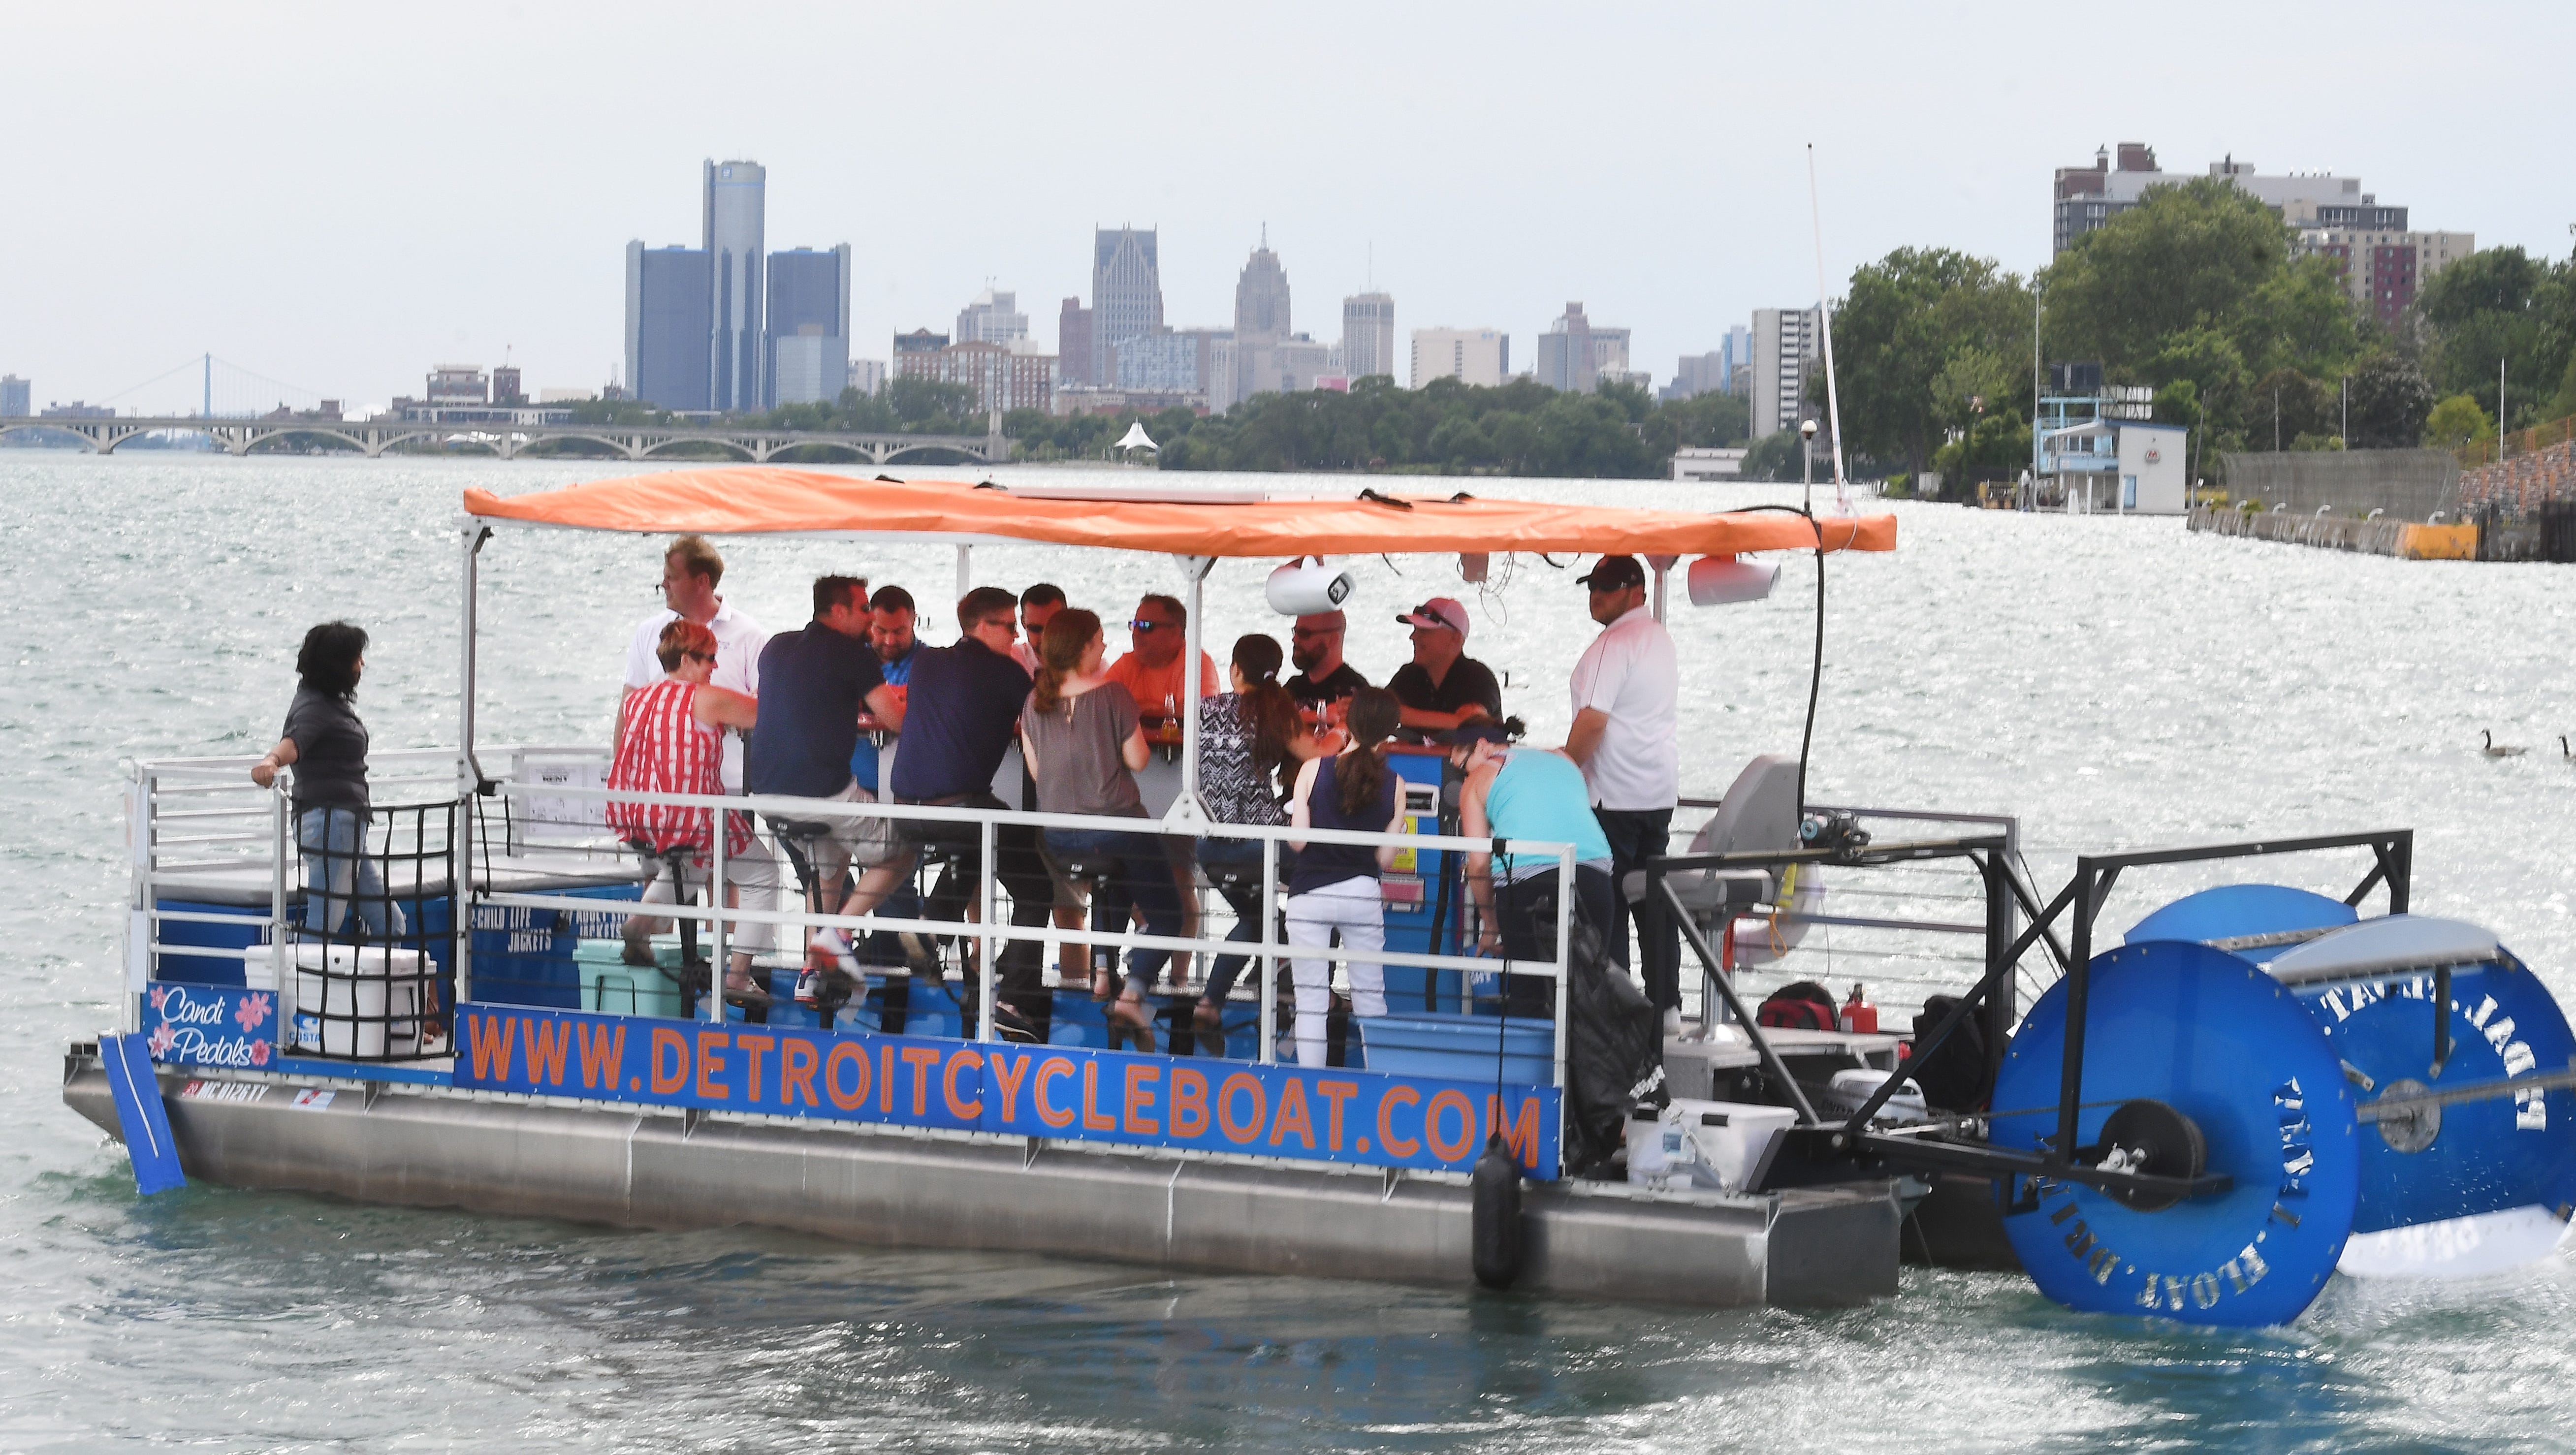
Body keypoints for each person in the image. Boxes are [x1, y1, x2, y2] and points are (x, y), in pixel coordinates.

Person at [845, 586, 1051, 1035]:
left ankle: (930, 926)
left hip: (904, 807)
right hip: (957, 808)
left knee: (979, 842)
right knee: (1036, 888)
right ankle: (1015, 1001)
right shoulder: (1006, 673)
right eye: (1009, 626)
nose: (1016, 635)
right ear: (982, 627)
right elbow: (1050, 714)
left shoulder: (929, 661)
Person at [1018, 609, 1182, 1050]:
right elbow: (1139, 761)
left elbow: (1036, 773)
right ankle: (1132, 994)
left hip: (1058, 835)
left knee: (1113, 884)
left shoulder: (1034, 702)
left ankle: (1105, 975)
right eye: (1099, 641)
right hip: (1114, 827)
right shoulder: (1113, 695)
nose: (1107, 647)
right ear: (1084, 647)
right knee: (1170, 915)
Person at [606, 619, 780, 1003]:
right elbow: (764, 715)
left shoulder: (638, 699)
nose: (714, 667)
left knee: (686, 866)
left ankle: (637, 926)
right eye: (709, 659)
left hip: (649, 815)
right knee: (762, 874)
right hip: (695, 816)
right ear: (686, 659)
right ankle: (737, 976)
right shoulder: (706, 697)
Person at [746, 576, 907, 974]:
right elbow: (895, 719)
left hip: (764, 795)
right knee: (904, 847)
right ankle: (836, 934)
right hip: (824, 794)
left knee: (828, 869)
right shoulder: (851, 654)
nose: (870, 617)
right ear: (838, 611)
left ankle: (812, 973)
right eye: (864, 608)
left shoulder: (776, 646)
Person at [1563, 553, 1683, 1031]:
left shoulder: (1612, 645)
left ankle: (1618, 1007)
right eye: (1593, 585)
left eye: (1608, 587)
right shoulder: (1660, 638)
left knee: (1605, 900)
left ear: (1638, 591)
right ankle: (1667, 1006)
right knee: (1654, 903)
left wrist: (1564, 770)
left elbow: (1592, 720)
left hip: (1612, 794)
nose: (1597, 595)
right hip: (1656, 792)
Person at [1450, 721, 1616, 1018]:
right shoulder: (1562, 758)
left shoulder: (1479, 779)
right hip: (1594, 873)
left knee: (1529, 990)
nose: (1464, 775)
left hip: (1527, 879)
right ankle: (1581, 1065)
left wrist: (1491, 923)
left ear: (1483, 746)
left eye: (1462, 766)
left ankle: (1530, 1063)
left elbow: (1477, 861)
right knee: (1589, 988)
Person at [251, 621, 406, 939]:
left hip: (345, 827)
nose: (361, 664)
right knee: (323, 929)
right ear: (337, 664)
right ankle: (301, 987)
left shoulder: (327, 702)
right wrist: (271, 761)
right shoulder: (315, 708)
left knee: (391, 925)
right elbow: (293, 744)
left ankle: (372, 989)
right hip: (331, 825)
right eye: (356, 658)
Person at [1283, 686, 1405, 1068]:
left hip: (1309, 893)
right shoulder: (1395, 784)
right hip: (1360, 892)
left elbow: (1299, 843)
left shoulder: (1312, 770)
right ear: (1390, 731)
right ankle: (1379, 1080)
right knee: (1370, 996)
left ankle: (1310, 1085)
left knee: (1311, 1001)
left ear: (1347, 723)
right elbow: (1385, 858)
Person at [1193, 634, 1307, 1039]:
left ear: (1235, 670)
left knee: (1257, 919)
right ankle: (1309, 985)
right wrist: (1343, 733)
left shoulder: (1203, 709)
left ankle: (1210, 1004)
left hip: (1206, 843)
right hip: (1260, 843)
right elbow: (1318, 754)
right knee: (1324, 880)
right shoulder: (1277, 715)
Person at [620, 535, 766, 791]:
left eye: (672, 578)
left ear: (702, 581)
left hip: (732, 782)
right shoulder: (648, 631)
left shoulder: (749, 634)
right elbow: (627, 712)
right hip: (661, 789)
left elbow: (764, 706)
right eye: (711, 658)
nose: (663, 585)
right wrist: (623, 773)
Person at [1387, 597, 1500, 739]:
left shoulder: (1478, 677)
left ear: (1455, 637)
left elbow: (1471, 722)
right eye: (1416, 629)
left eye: (1425, 631)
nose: (1413, 637)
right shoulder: (1409, 675)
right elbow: (1377, 710)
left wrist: (1397, 714)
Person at [1104, 593, 1218, 724]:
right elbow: (1097, 707)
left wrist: (1135, 709)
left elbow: (1201, 714)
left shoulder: (1195, 662)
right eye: (1134, 625)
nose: (1135, 633)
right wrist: (1164, 711)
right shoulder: (1128, 664)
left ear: (1174, 632)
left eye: (1145, 626)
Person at [1285, 611, 1369, 714]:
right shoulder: (1293, 687)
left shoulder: (1356, 693)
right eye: (1295, 632)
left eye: (1304, 634)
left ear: (1332, 639)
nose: (1295, 639)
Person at [1014, 582, 1066, 673]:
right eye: (1036, 629)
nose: (1044, 637)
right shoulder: (1011, 663)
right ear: (1023, 623)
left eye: (1052, 628)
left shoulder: (1091, 660)